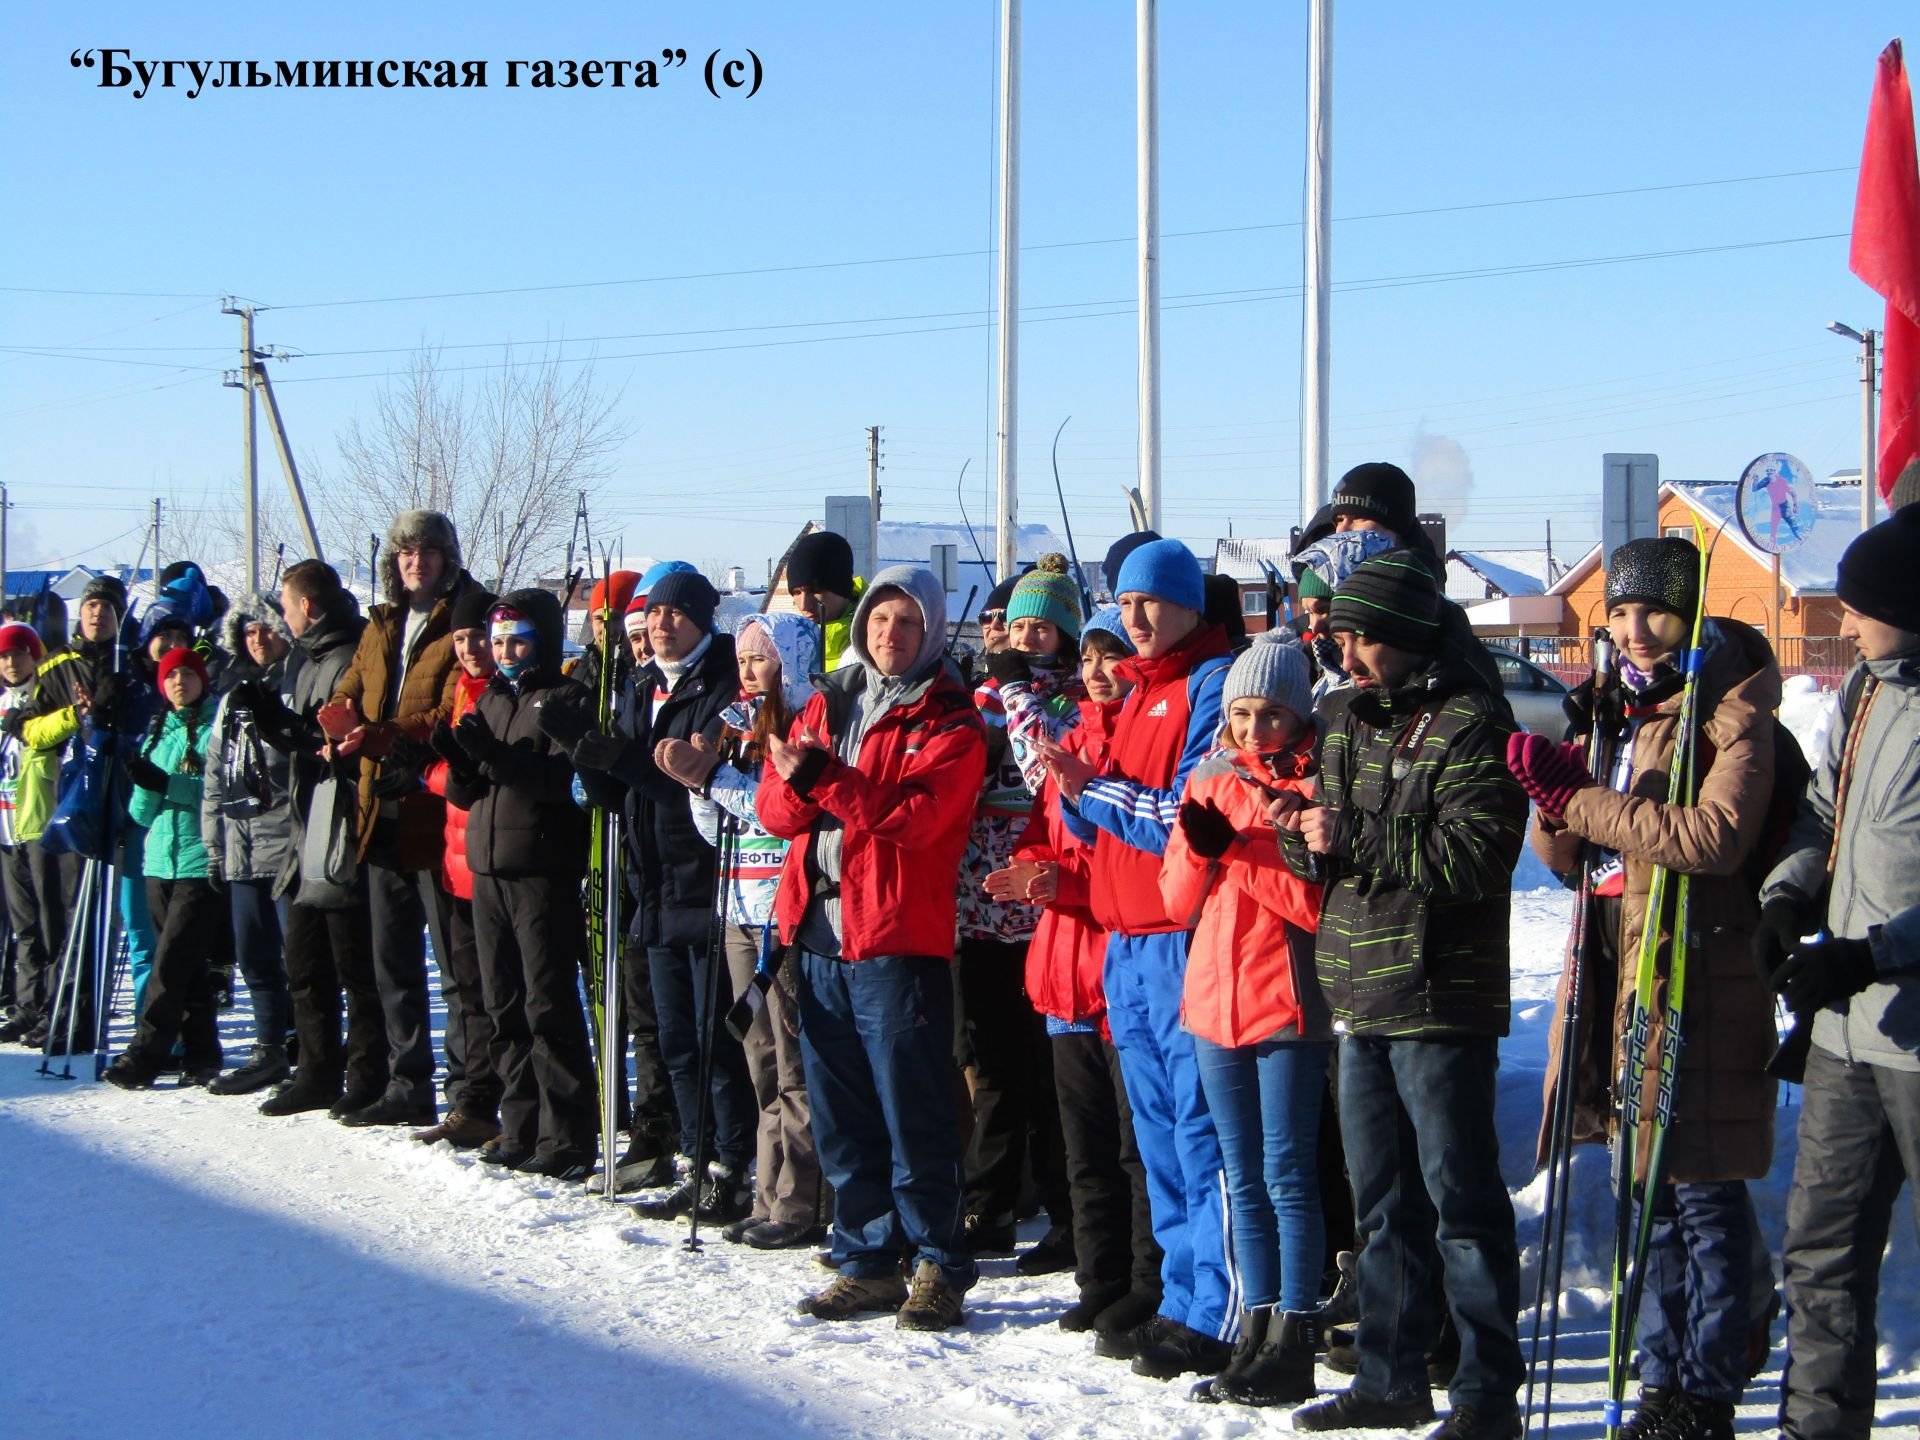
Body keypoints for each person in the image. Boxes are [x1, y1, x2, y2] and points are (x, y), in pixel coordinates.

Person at [1514, 537, 1780, 1440]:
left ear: (1695, 613)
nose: (1634, 631)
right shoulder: (1615, 714)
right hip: (1623, 976)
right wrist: (1555, 796)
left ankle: (1707, 1389)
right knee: (1646, 1197)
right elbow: (1574, 862)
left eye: (1655, 612)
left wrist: (1584, 803)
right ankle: (1660, 1375)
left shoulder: (1730, 707)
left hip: (1701, 978)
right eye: (1619, 613)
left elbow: (1712, 839)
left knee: (1700, 1194)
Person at [1282, 551, 1527, 1440]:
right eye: (1340, 639)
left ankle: (1487, 1395)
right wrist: (1300, 836)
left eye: (1358, 640)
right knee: (1381, 1205)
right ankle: (1388, 1376)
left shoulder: (1474, 721)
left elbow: (1477, 857)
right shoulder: (1345, 719)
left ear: (1404, 633)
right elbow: (1337, 855)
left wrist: (1348, 831)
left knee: (1460, 1204)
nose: (1344, 659)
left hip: (1441, 996)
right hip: (1357, 986)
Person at [756, 564, 986, 1331]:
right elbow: (775, 810)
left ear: (930, 632)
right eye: (881, 621)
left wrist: (824, 778)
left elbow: (918, 820)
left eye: (908, 623)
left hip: (894, 937)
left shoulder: (949, 719)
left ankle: (937, 1261)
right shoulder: (830, 699)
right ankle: (864, 1256)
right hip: (818, 931)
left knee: (912, 1108)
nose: (891, 635)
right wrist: (803, 780)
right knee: (840, 1109)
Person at [1039, 537, 1240, 1382]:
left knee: (1200, 1131)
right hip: (1123, 945)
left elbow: (1184, 818)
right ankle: (1178, 1296)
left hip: (1182, 939)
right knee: (1154, 1135)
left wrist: (1092, 789)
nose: (1137, 619)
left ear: (1189, 603)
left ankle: (1218, 1306)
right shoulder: (1131, 696)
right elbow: (1099, 828)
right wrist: (1064, 783)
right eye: (1124, 605)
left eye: (1151, 602)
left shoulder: (1209, 686)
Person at [1758, 504, 1920, 1440]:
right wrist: (1787, 898)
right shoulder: (1861, 693)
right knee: (1820, 1251)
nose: (1844, 622)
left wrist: (1870, 953)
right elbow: (1824, 812)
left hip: (1910, 1026)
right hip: (1844, 1034)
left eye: (1860, 606)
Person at [1162, 632, 1329, 1407]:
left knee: (1289, 1173)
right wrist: (1201, 853)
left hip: (1285, 1002)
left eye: (1270, 715)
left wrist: (1240, 852)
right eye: (1240, 715)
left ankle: (1295, 1330)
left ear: (1297, 718)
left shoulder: (1314, 787)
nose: (1253, 731)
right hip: (1212, 1003)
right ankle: (1254, 1325)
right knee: (1241, 1177)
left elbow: (1315, 907)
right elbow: (1173, 901)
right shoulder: (1211, 776)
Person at [562, 567, 754, 1220]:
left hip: (707, 879)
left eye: (675, 614)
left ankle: (734, 1166)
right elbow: (628, 790)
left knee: (713, 1039)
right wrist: (589, 760)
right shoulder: (642, 684)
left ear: (702, 618)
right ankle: (698, 1162)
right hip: (652, 883)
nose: (660, 625)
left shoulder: (722, 683)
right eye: (652, 616)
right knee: (675, 1038)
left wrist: (627, 766)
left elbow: (694, 783)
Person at [994, 605, 1164, 1335]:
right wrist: (1032, 868)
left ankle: (1147, 1284)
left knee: (1136, 1149)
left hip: (1117, 970)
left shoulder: (1139, 749)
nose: (1096, 672)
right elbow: (1040, 828)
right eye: (1089, 658)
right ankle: (1099, 1279)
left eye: (1111, 656)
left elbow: (1140, 867)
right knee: (1083, 1144)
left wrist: (1060, 885)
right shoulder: (1070, 739)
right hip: (1063, 970)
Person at [656, 609, 830, 1248]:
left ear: (789, 658)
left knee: (793, 1062)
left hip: (786, 908)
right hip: (737, 903)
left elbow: (778, 816)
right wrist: (700, 786)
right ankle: (766, 1190)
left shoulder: (810, 720)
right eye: (745, 657)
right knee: (757, 1056)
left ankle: (801, 1199)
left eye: (762, 657)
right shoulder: (738, 725)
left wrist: (716, 782)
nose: (749, 669)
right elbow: (720, 831)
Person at [324, 509, 477, 1128]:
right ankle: (405, 1081)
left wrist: (382, 738)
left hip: (433, 814)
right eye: (407, 552)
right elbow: (352, 684)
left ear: (447, 557)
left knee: (455, 968)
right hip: (376, 810)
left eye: (429, 552)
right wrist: (336, 725)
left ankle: (467, 1090)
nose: (417, 561)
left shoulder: (460, 621)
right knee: (392, 963)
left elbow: (448, 712)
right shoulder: (382, 622)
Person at [445, 590, 598, 1178]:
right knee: (502, 1002)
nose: (506, 652)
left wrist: (493, 758)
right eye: (499, 641)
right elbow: (470, 791)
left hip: (540, 868)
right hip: (487, 868)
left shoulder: (564, 697)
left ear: (544, 640)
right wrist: (461, 763)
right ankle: (521, 1123)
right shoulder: (491, 700)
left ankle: (566, 1135)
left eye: (519, 641)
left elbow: (560, 784)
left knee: (546, 1003)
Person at [957, 555, 1079, 1267]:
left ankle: (1065, 1211)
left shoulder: (1072, 701)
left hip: (1045, 908)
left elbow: (1045, 760)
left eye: (1043, 628)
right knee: (994, 1065)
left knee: (1048, 1069)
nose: (1027, 639)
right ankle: (989, 1204)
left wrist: (1016, 691)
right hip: (980, 903)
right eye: (1018, 626)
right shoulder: (984, 695)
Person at [242, 560, 386, 1119]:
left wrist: (298, 733)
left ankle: (367, 1072)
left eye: (285, 605)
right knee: (304, 961)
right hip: (305, 827)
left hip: (342, 828)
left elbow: (342, 743)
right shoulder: (306, 660)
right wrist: (279, 724)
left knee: (353, 964)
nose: (281, 616)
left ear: (308, 606)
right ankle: (316, 1071)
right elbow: (306, 740)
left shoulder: (348, 656)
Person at [105, 647, 225, 1088]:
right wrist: (140, 780)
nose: (179, 681)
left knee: (169, 963)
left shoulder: (217, 726)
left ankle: (146, 1055)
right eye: (170, 676)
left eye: (187, 674)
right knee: (185, 964)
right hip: (159, 860)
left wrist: (166, 782)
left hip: (199, 858)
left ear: (201, 679)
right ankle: (202, 1053)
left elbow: (216, 792)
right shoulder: (158, 733)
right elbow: (143, 813)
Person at [410, 585, 504, 1150]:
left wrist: (430, 773)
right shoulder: (464, 691)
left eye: (479, 638)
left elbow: (476, 780)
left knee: (491, 992)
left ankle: (489, 1101)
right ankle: (468, 1098)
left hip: (485, 859)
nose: (471, 648)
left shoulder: (496, 693)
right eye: (462, 639)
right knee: (464, 988)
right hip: (454, 857)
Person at [201, 594, 299, 1096]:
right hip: (240, 847)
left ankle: (310, 1047)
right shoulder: (230, 697)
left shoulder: (297, 684)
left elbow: (299, 764)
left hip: (286, 844)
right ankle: (269, 1050)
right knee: (253, 955)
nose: (257, 639)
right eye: (248, 632)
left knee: (299, 956)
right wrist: (213, 845)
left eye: (265, 629)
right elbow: (215, 776)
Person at [0, 623, 58, 1044]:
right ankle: (26, 1004)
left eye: (19, 654)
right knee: (23, 927)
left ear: (34, 656)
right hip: (5, 828)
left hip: (38, 823)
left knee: (48, 920)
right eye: (4, 656)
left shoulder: (43, 698)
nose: (11, 663)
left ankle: (53, 1004)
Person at [785, 530, 865, 671]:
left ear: (841, 588)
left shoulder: (879, 641)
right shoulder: (786, 652)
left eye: (815, 591)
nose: (804, 605)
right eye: (796, 592)